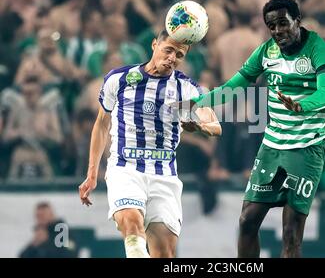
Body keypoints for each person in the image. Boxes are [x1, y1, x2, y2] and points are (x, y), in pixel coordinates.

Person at [189, 0, 325, 257]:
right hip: (271, 148)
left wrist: (302, 105)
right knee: (247, 221)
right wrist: (196, 104)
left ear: (297, 21)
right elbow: (233, 86)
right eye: (272, 25)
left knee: (291, 233)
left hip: (306, 149)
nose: (278, 30)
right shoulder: (266, 51)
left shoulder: (320, 50)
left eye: (283, 23)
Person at [78, 30, 221, 258]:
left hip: (164, 175)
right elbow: (101, 125)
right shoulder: (118, 79)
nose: (172, 58)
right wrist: (92, 173)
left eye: (179, 54)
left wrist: (201, 126)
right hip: (126, 168)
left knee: (164, 254)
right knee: (132, 227)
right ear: (155, 45)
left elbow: (215, 125)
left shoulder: (186, 88)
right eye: (168, 50)